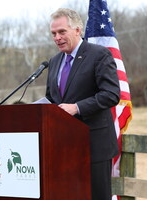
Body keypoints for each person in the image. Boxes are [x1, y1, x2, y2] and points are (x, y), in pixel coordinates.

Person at [45, 8, 120, 200]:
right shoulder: (53, 62)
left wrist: (77, 107)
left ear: (77, 30)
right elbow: (52, 98)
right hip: (63, 145)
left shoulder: (99, 55)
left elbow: (111, 94)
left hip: (94, 145)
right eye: (54, 33)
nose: (57, 37)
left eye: (62, 32)